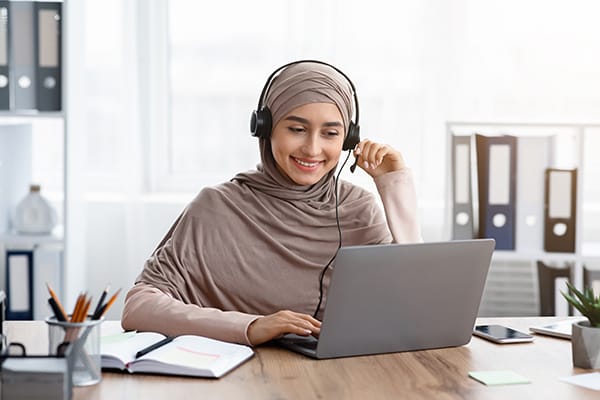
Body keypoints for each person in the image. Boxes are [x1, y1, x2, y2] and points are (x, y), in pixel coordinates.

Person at [121, 60, 422, 346]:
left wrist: (395, 184)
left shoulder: (359, 210)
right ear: (265, 128)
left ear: (347, 139)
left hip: (340, 378)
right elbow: (139, 306)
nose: (313, 148)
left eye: (330, 133)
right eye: (296, 129)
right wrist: (251, 326)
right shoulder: (217, 207)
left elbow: (414, 307)